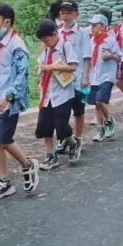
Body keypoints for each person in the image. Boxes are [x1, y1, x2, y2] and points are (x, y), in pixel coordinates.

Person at [0, 4, 39, 200]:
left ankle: (28, 164)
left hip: (8, 102)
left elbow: (22, 75)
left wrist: (9, 96)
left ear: (7, 22)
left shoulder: (17, 45)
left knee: (5, 139)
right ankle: (4, 182)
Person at [34, 19, 80, 170]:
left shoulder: (65, 46)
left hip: (62, 94)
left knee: (61, 126)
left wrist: (53, 67)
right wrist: (40, 68)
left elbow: (73, 66)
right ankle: (50, 155)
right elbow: (41, 64)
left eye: (47, 40)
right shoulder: (46, 50)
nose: (45, 43)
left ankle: (72, 142)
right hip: (46, 94)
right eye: (43, 41)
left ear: (54, 34)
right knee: (44, 125)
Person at [57, 0, 91, 155]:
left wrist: (86, 76)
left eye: (69, 12)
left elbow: (87, 57)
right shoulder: (56, 33)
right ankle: (64, 138)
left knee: (78, 111)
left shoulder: (82, 33)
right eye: (63, 12)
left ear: (76, 14)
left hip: (77, 79)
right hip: (59, 79)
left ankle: (77, 138)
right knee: (61, 111)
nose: (66, 16)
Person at [88, 14, 121, 143]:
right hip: (94, 75)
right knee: (96, 104)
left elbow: (119, 57)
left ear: (103, 26)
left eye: (95, 25)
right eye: (91, 25)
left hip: (107, 75)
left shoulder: (110, 40)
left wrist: (111, 55)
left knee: (101, 100)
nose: (92, 28)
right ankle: (100, 128)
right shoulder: (92, 41)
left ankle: (109, 120)